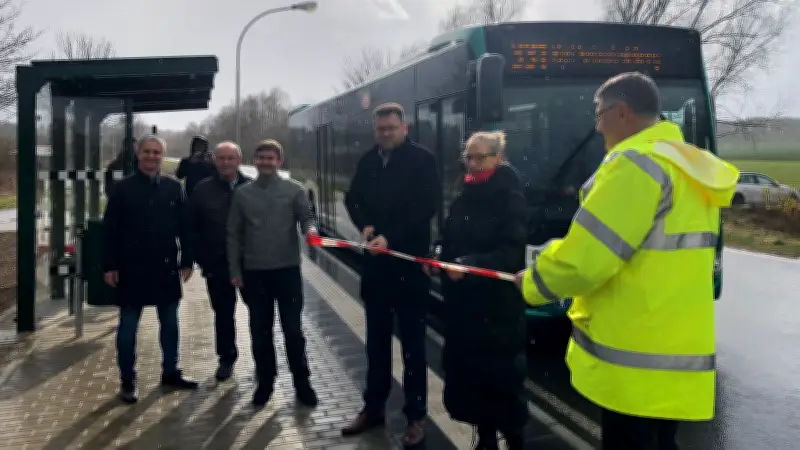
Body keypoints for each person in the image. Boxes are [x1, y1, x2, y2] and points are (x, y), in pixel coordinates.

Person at [516, 72, 738, 450]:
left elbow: (586, 259)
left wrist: (532, 283)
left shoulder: (634, 165)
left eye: (598, 114)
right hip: (676, 354)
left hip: (634, 359)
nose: (597, 125)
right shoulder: (689, 164)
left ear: (622, 113)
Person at [341, 102, 440, 447]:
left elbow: (426, 207)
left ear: (404, 128)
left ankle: (415, 417)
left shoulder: (422, 160)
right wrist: (365, 224)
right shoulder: (369, 161)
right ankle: (374, 408)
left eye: (391, 128)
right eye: (380, 129)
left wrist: (391, 237)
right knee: (376, 345)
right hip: (377, 270)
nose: (385, 134)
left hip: (409, 268)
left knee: (414, 347)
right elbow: (353, 199)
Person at [425, 131, 528, 450]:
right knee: (473, 380)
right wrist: (438, 255)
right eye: (468, 157)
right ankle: (485, 438)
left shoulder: (511, 198)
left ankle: (514, 438)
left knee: (502, 382)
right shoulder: (464, 195)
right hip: (464, 312)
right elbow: (446, 236)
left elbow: (511, 254)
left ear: (499, 158)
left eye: (480, 157)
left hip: (497, 313)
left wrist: (468, 265)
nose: (472, 163)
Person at [102, 135, 199, 404]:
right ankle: (128, 381)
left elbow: (185, 227)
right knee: (127, 329)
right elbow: (110, 231)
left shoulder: (173, 187)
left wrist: (188, 260)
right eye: (147, 151)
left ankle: (170, 372)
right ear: (138, 154)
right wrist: (109, 265)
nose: (152, 156)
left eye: (157, 152)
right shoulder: (121, 189)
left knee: (170, 325)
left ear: (162, 155)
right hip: (130, 269)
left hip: (165, 267)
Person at [227, 139, 319, 408]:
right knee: (260, 330)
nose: (266, 162)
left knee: (293, 330)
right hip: (255, 274)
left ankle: (302, 383)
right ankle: (265, 382)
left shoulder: (294, 191)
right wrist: (235, 270)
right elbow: (233, 234)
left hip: (287, 271)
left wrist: (310, 231)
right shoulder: (242, 194)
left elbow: (307, 217)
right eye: (261, 158)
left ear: (280, 161)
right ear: (255, 161)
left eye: (271, 158)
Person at [188, 141, 251, 382]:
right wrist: (200, 259)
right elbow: (192, 227)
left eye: (231, 158)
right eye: (221, 158)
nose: (226, 163)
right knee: (223, 315)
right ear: (214, 160)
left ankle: (262, 357)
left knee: (258, 313)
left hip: (250, 265)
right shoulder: (202, 190)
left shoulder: (252, 187)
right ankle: (226, 358)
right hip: (216, 264)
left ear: (239, 160)